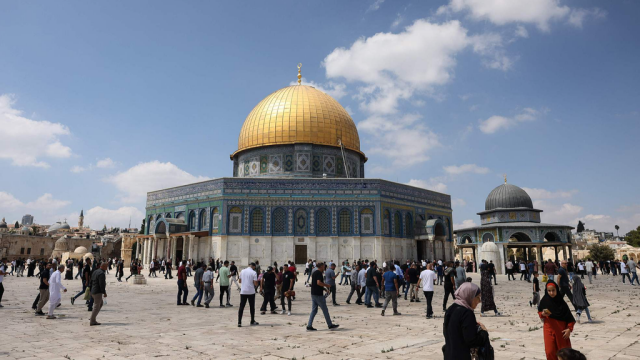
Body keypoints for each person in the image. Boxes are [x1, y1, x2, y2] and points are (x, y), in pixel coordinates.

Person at [443, 282, 490, 360]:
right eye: (478, 297)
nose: (479, 301)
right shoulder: (467, 314)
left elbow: (447, 332)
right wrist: (484, 332)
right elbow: (472, 340)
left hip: (448, 355)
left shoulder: (451, 309)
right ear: (470, 296)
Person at [538, 281, 575, 360]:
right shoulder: (544, 301)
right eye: (549, 291)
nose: (551, 293)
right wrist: (542, 314)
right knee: (550, 352)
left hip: (561, 332)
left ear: (557, 290)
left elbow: (570, 318)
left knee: (564, 354)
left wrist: (569, 329)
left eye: (553, 290)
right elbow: (540, 312)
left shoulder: (561, 303)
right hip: (549, 330)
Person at [306, 262, 339, 331]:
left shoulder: (314, 273)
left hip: (313, 294)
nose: (324, 267)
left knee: (314, 310)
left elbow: (315, 283)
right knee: (325, 310)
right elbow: (318, 283)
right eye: (324, 266)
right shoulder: (319, 273)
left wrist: (324, 289)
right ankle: (330, 325)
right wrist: (327, 285)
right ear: (321, 266)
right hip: (318, 295)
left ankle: (309, 325)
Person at [238, 262, 259, 327]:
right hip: (251, 291)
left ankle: (239, 322)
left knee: (241, 307)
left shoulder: (242, 271)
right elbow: (255, 283)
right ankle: (252, 320)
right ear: (253, 266)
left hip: (243, 291)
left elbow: (240, 281)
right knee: (252, 307)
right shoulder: (254, 272)